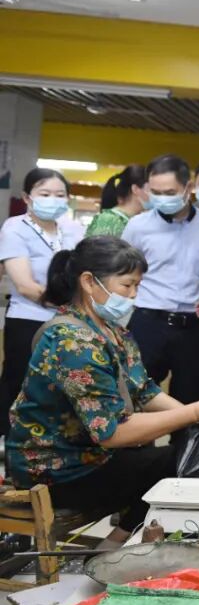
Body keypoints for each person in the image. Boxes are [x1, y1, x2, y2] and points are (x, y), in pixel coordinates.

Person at [4, 236, 199, 548]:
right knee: (181, 462)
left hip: (91, 457)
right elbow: (111, 432)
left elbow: (144, 391)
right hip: (55, 471)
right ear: (89, 281)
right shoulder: (73, 341)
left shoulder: (113, 332)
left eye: (138, 285)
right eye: (127, 285)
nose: (133, 294)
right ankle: (115, 545)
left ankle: (118, 540)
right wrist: (193, 413)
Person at [122, 155, 199, 411]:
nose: (162, 198)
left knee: (191, 402)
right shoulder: (137, 226)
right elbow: (122, 273)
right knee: (136, 397)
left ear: (188, 188)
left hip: (194, 327)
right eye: (155, 192)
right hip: (148, 323)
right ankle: (140, 440)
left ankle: (183, 440)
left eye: (169, 192)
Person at [0, 168, 79, 436]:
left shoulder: (72, 228)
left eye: (60, 194)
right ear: (27, 197)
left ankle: (51, 444)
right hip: (28, 321)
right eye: (44, 194)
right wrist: (68, 304)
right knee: (20, 384)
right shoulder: (15, 227)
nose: (52, 200)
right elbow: (25, 286)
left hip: (67, 322)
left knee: (61, 387)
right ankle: (9, 442)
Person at [86, 165, 149, 237]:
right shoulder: (109, 220)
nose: (155, 195)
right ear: (136, 189)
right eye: (151, 190)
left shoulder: (132, 221)